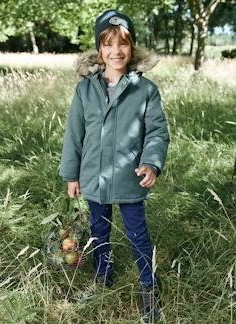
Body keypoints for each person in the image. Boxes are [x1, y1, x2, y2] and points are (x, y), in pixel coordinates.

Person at [59, 9, 170, 322]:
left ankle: (149, 286)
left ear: (132, 47)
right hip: (93, 178)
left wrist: (151, 162)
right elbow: (75, 134)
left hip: (130, 178)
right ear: (100, 49)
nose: (116, 51)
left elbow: (158, 132)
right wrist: (72, 174)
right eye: (108, 44)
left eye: (123, 44)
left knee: (137, 234)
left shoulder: (145, 90)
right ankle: (103, 276)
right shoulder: (85, 90)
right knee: (99, 231)